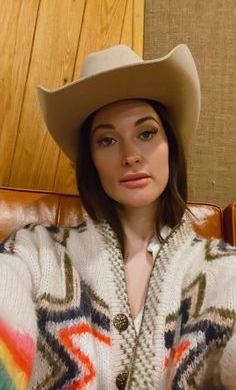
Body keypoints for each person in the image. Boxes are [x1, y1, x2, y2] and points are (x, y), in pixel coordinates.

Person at [0, 44, 236, 390]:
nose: (130, 156)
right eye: (107, 140)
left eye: (145, 133)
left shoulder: (221, 269)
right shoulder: (36, 252)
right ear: (90, 161)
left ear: (170, 146)